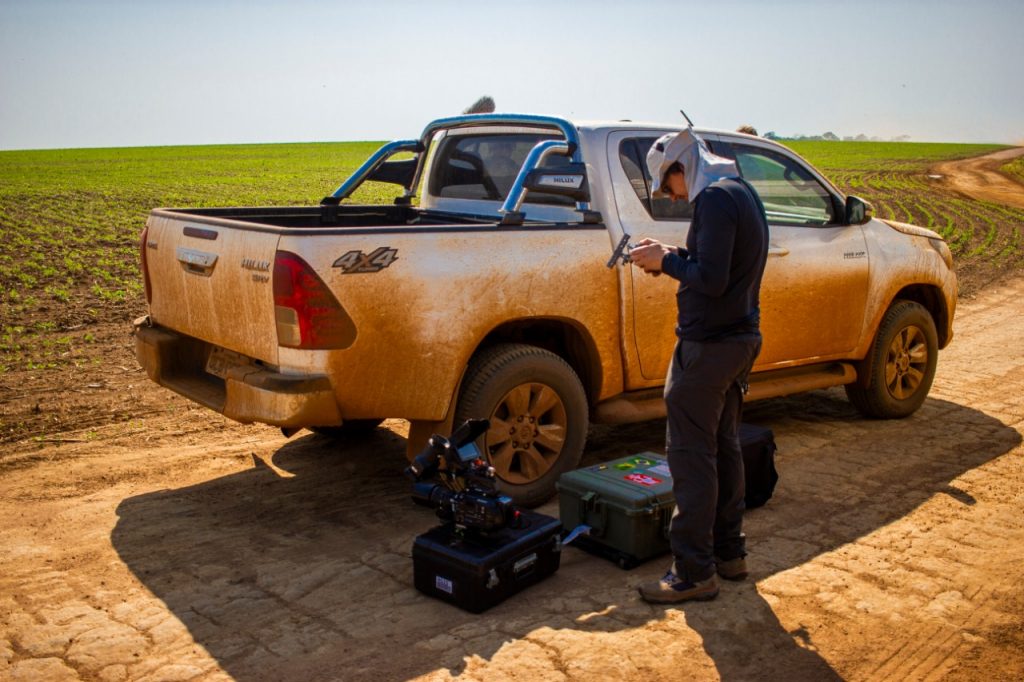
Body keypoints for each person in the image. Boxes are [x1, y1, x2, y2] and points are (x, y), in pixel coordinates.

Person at [629, 128, 769, 604]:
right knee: (724, 447)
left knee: (690, 455)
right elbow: (719, 266)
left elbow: (709, 279)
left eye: (669, 185)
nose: (671, 195)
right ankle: (730, 555)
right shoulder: (740, 191)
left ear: (680, 166)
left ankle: (693, 571)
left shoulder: (712, 201)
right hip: (739, 341)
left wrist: (664, 263)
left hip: (707, 347)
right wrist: (668, 255)